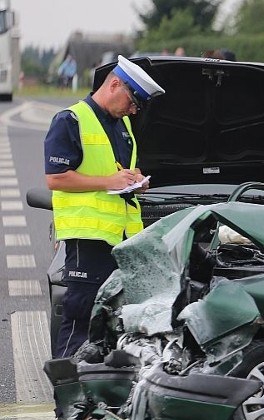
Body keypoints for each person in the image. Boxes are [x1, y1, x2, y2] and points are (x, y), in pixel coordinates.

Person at [43, 55, 165, 364]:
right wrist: (108, 180)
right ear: (114, 85)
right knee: (81, 319)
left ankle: (103, 396)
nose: (134, 110)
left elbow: (116, 172)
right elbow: (56, 178)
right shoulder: (70, 120)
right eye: (133, 101)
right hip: (88, 240)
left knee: (116, 324)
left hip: (123, 241)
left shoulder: (121, 124)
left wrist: (135, 180)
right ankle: (68, 401)